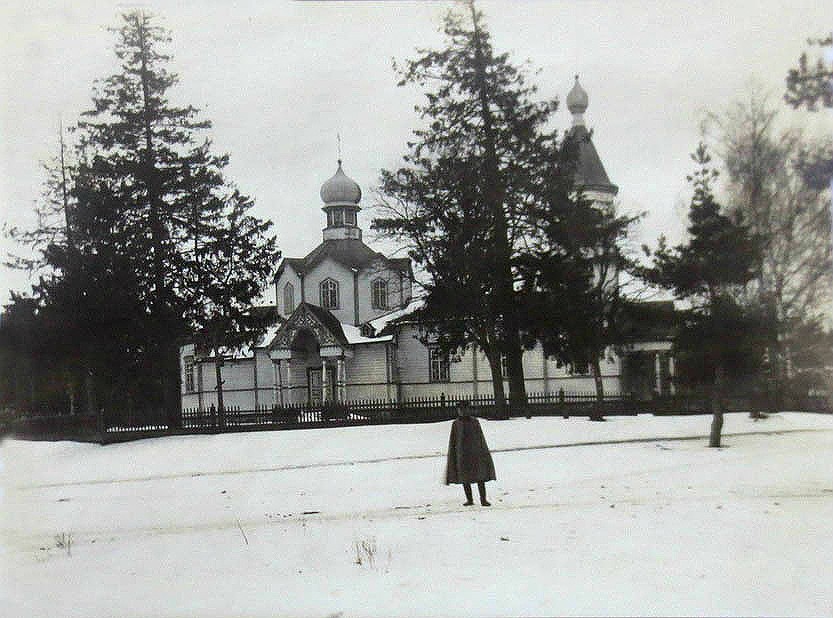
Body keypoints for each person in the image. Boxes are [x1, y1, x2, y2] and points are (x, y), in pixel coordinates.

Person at [445, 400, 496, 506]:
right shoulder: (456, 424)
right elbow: (453, 440)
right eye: (460, 409)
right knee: (465, 478)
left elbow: (480, 438)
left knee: (480, 476)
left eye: (465, 409)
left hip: (475, 453)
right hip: (462, 454)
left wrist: (482, 451)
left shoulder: (474, 422)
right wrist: (454, 454)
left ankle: (483, 499)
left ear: (469, 409)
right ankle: (470, 499)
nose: (462, 411)